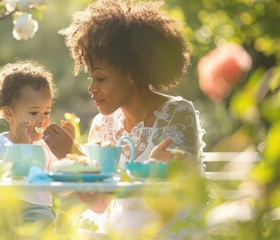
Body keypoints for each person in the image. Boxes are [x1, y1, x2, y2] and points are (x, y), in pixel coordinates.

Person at [48, 0, 207, 238]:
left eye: (100, 78)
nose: (91, 88)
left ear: (132, 75)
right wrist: (73, 157)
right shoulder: (102, 125)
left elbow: (173, 205)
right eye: (91, 78)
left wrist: (154, 171)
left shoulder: (176, 113)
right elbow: (101, 204)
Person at [0, 59, 75, 231]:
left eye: (46, 112)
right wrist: (20, 147)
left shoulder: (47, 147)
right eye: (34, 112)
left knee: (43, 218)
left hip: (35, 209)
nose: (42, 119)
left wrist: (67, 152)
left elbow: (63, 190)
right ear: (9, 113)